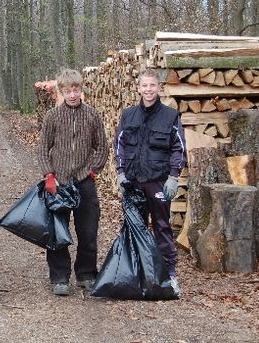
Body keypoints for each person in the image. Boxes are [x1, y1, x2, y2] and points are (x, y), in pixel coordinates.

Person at [114, 68, 186, 297]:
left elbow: (179, 148)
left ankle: (170, 275)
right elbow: (119, 145)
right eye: (144, 86)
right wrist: (121, 173)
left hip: (158, 183)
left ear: (159, 88)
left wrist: (174, 177)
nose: (148, 90)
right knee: (136, 228)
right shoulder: (129, 115)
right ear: (138, 88)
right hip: (133, 182)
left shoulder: (170, 116)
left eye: (152, 85)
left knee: (163, 227)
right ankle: (138, 275)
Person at [38, 68, 108, 296]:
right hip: (58, 183)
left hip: (83, 182)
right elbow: (42, 150)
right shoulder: (52, 117)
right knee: (57, 232)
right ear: (61, 92)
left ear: (81, 89)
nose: (72, 95)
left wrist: (92, 171)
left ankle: (86, 274)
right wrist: (49, 175)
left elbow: (102, 147)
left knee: (88, 230)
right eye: (67, 91)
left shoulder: (92, 115)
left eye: (76, 90)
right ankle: (59, 277)